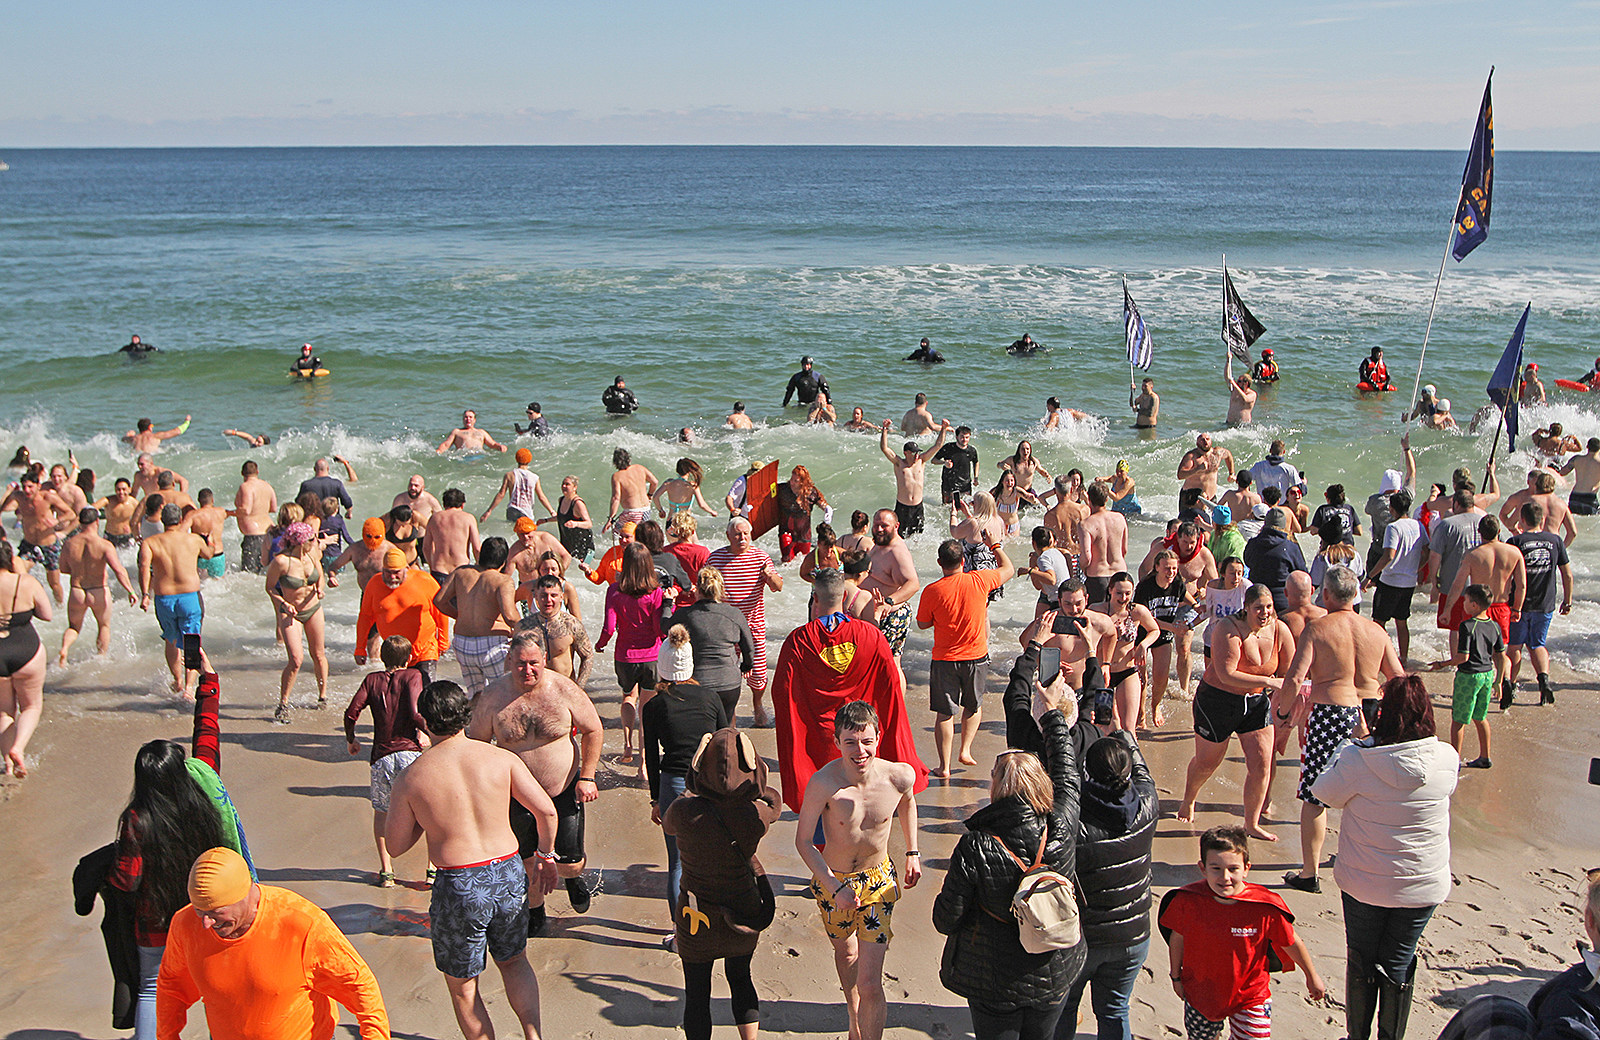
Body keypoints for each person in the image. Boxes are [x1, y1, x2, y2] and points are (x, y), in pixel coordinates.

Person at [384, 679, 557, 1040]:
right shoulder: (500, 758)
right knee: (514, 962)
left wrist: (424, 817)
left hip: (459, 883)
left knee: (463, 987)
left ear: (423, 721)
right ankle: (534, 1035)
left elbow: (396, 846)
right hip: (507, 872)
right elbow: (546, 812)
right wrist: (544, 855)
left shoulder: (412, 776)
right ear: (466, 715)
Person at [1305, 674, 1458, 1040]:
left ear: (1382, 714)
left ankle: (1358, 1035)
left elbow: (1322, 792)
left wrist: (1354, 744)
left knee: (1361, 957)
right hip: (1422, 884)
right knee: (1398, 960)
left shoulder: (1359, 758)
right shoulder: (1446, 757)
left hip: (1365, 881)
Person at [933, 683, 1084, 1040]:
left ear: (996, 787)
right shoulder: (1061, 824)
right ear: (1041, 784)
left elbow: (945, 918)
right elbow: (1068, 773)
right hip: (1054, 967)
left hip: (993, 978)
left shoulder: (977, 845)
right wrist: (1051, 716)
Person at [107, 676, 251, 1040]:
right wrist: (208, 684)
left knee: (152, 990)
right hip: (206, 915)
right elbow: (207, 738)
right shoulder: (203, 795)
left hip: (155, 925)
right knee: (220, 988)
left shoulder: (137, 820)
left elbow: (127, 880)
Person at [156, 846, 389, 1040]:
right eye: (199, 911)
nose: (206, 923)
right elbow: (172, 985)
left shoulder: (301, 923)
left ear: (243, 894)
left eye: (216, 912)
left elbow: (359, 984)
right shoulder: (185, 924)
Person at [795, 701, 922, 1040]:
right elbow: (804, 842)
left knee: (869, 983)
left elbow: (909, 800)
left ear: (878, 738)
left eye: (866, 741)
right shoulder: (824, 783)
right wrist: (834, 888)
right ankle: (854, 1022)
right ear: (837, 742)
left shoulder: (899, 775)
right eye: (850, 741)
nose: (859, 750)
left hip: (878, 882)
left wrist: (912, 851)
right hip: (832, 882)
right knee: (846, 951)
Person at [1273, 567, 1404, 893]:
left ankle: (1310, 873)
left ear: (1326, 595)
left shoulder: (1317, 629)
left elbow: (1294, 678)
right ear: (1356, 595)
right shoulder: (1375, 630)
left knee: (1315, 796)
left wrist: (1283, 713)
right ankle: (1372, 861)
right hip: (1370, 712)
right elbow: (1398, 678)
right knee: (1369, 791)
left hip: (1330, 712)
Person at [468, 633, 603, 934]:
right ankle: (535, 907)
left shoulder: (563, 689)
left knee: (571, 861)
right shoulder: (493, 697)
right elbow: (476, 745)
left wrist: (588, 776)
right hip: (516, 794)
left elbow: (593, 729)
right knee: (526, 859)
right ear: (509, 662)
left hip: (563, 788)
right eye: (519, 664)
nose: (527, 670)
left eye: (533, 663)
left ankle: (571, 877)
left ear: (544, 660)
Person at [663, 726, 782, 1040]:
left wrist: (693, 788)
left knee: (697, 993)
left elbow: (668, 823)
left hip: (695, 917)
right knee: (741, 978)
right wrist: (760, 787)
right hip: (741, 914)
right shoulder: (754, 815)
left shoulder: (684, 812)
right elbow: (774, 804)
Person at [1161, 827, 1326, 1040]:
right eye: (1216, 868)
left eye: (1233, 869)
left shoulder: (1264, 907)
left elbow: (1291, 941)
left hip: (1251, 995)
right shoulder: (1186, 902)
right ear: (1202, 868)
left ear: (1246, 868)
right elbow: (1178, 938)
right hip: (1201, 993)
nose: (1225, 877)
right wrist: (1176, 976)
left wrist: (1312, 977)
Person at [1177, 584, 1293, 840]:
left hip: (1255, 703)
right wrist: (1269, 683)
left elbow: (1290, 673)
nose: (1264, 613)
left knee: (1262, 762)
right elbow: (1226, 674)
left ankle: (1251, 823)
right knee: (1208, 763)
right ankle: (1189, 798)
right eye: (1258, 608)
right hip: (1218, 701)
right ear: (1247, 608)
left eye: (1269, 608)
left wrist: (1288, 711)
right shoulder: (1227, 629)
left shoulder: (1279, 630)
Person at [1067, 732, 1159, 1040]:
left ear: (1088, 773)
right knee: (1115, 1011)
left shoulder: (1075, 823)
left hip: (1083, 938)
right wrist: (1126, 734)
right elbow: (1143, 773)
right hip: (1132, 937)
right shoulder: (1148, 804)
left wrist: (1057, 725)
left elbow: (1064, 780)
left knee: (1065, 1008)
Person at [642, 626, 730, 928]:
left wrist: (655, 798)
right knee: (712, 859)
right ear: (690, 663)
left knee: (678, 863)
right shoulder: (710, 698)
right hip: (709, 785)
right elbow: (724, 744)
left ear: (661, 666)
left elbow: (652, 757)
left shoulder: (654, 705)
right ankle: (713, 925)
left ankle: (681, 933)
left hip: (673, 785)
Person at [916, 537, 1014, 778]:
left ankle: (944, 767)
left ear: (940, 563)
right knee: (973, 705)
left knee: (945, 713)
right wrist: (995, 546)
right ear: (963, 561)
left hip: (944, 659)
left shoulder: (932, 590)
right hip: (976, 656)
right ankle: (966, 750)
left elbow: (922, 623)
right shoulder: (979, 579)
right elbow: (1009, 569)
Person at [342, 634, 429, 887]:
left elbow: (351, 713)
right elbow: (414, 712)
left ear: (381, 656)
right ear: (409, 657)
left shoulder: (371, 680)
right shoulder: (414, 676)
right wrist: (431, 734)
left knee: (382, 813)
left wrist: (351, 739)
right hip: (409, 755)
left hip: (381, 757)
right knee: (424, 810)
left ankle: (386, 871)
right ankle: (432, 869)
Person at [596, 542, 669, 764]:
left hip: (625, 657)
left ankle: (627, 744)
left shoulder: (614, 591)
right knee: (647, 710)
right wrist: (670, 607)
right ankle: (643, 764)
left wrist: (601, 644)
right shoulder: (656, 592)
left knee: (628, 697)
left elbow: (609, 627)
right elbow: (659, 629)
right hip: (651, 657)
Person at [707, 517, 781, 727]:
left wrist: (769, 577)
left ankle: (757, 705)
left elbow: (778, 586)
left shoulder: (760, 557)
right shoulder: (716, 558)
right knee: (726, 672)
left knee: (758, 673)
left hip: (752, 625)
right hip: (725, 626)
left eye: (746, 534)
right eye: (738, 534)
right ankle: (729, 713)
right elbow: (705, 588)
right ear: (729, 536)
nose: (742, 538)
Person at [659, 565, 754, 721]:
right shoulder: (734, 614)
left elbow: (665, 628)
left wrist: (668, 604)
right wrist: (746, 666)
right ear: (720, 588)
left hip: (697, 684)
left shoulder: (685, 614)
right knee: (726, 728)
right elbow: (749, 649)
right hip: (728, 683)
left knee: (701, 730)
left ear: (697, 589)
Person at [139, 504, 215, 696]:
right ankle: (189, 688)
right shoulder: (193, 539)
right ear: (181, 520)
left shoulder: (150, 543)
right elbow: (208, 554)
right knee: (191, 640)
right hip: (189, 597)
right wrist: (211, 541)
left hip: (164, 598)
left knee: (171, 639)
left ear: (163, 521)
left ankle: (178, 680)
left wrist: (145, 595)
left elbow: (144, 567)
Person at [1428, 583, 1505, 768]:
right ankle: (1485, 757)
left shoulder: (1467, 626)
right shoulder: (1494, 626)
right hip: (1487, 674)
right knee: (1480, 717)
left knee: (1458, 720)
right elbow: (1501, 655)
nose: (1463, 603)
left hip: (1469, 676)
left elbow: (1463, 657)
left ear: (1474, 605)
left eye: (1466, 600)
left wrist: (1442, 664)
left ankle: (1455, 759)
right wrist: (1499, 681)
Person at [1506, 501, 1572, 707]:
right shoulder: (1555, 541)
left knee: (1514, 646)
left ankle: (1511, 686)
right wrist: (1567, 600)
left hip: (1519, 603)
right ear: (1542, 520)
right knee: (1538, 644)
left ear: (1522, 520)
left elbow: (1505, 575)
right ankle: (1544, 680)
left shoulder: (1515, 541)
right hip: (1545, 603)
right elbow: (1567, 574)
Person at [437, 538, 520, 697]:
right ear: (503, 562)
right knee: (504, 693)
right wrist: (526, 628)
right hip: (491, 644)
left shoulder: (460, 572)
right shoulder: (503, 580)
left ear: (480, 555)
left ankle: (476, 721)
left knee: (476, 695)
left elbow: (439, 601)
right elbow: (510, 616)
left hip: (462, 643)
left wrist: (460, 616)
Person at [263, 522, 328, 721]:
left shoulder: (313, 553)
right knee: (296, 660)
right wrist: (283, 602)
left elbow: (320, 575)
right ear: (300, 542)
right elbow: (270, 588)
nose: (315, 542)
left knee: (318, 654)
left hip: (313, 609)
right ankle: (283, 703)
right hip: (291, 613)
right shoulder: (281, 562)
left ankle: (322, 696)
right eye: (311, 539)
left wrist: (321, 588)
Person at [354, 549, 448, 683]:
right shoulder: (374, 584)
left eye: (396, 572)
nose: (392, 577)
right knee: (397, 696)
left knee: (426, 693)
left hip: (425, 650)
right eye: (387, 572)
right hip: (394, 653)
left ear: (406, 568)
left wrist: (443, 641)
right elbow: (365, 617)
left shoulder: (424, 580)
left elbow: (440, 611)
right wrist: (360, 648)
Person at [57, 508, 136, 665]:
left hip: (77, 590)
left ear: (80, 523)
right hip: (99, 590)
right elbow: (119, 570)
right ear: (97, 522)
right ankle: (101, 658)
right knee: (104, 625)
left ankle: (64, 649)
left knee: (73, 627)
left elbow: (63, 569)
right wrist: (131, 591)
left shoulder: (69, 544)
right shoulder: (104, 545)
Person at [0, 539, 52, 776]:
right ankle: (18, 749)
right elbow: (47, 614)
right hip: (26, 651)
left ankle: (8, 766)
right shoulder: (26, 582)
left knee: (3, 712)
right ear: (11, 559)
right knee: (31, 706)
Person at [1135, 549, 1196, 730]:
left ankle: (1155, 707)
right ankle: (1141, 715)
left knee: (1161, 678)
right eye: (1167, 569)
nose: (1171, 573)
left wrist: (1195, 605)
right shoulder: (1145, 587)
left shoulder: (1177, 582)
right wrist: (1172, 627)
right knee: (1141, 678)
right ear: (1157, 568)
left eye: (1174, 569)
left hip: (1165, 633)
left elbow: (1183, 593)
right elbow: (1144, 618)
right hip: (1142, 633)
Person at [1366, 489, 1427, 662]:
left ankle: (1378, 657)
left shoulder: (1393, 527)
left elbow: (1388, 556)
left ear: (1392, 509)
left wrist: (1370, 576)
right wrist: (1417, 567)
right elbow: (1426, 551)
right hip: (1408, 582)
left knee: (1379, 621)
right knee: (1402, 622)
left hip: (1390, 581)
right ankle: (1404, 657)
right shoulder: (1418, 525)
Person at [1096, 572, 1162, 733]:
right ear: (1110, 590)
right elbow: (1085, 639)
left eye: (1128, 593)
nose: (1124, 597)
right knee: (1103, 726)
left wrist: (1143, 645)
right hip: (1103, 676)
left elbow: (1154, 630)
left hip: (1127, 672)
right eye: (1119, 593)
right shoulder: (1097, 611)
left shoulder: (1137, 611)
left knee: (1129, 728)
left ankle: (1132, 757)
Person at [1, 472, 74, 603]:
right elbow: (2, 508)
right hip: (29, 545)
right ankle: (22, 604)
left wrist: (57, 521)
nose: (27, 490)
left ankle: (60, 606)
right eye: (24, 487)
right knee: (17, 572)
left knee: (54, 583)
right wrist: (7, 494)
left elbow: (70, 513)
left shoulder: (48, 497)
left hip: (49, 545)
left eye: (30, 486)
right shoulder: (19, 497)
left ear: (38, 486)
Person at [880, 419, 948, 537]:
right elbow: (884, 448)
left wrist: (943, 428)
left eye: (917, 452)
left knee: (917, 537)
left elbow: (938, 445)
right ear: (906, 453)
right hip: (902, 507)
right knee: (899, 536)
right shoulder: (899, 463)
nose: (917, 455)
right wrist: (885, 429)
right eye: (914, 452)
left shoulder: (921, 461)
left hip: (917, 507)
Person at [1242, 508, 1307, 614]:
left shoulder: (1253, 543)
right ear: (1283, 526)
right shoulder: (1290, 547)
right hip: (1282, 601)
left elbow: (1247, 561)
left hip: (1256, 598)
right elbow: (1301, 573)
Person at [1080, 482, 1130, 606]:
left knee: (1097, 619)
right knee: (1119, 618)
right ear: (1107, 499)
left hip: (1098, 576)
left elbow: (1087, 557)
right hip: (1120, 574)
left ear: (1089, 499)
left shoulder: (1085, 524)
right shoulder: (1120, 518)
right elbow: (1124, 550)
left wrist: (1084, 569)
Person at [480, 448, 555, 524]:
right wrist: (552, 511)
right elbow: (541, 497)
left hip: (512, 509)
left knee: (513, 531)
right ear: (529, 460)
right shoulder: (535, 477)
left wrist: (489, 511)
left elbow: (501, 494)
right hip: (526, 512)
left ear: (516, 459)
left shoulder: (509, 475)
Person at [606, 447, 658, 537]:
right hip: (646, 510)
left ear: (615, 462)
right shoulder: (640, 468)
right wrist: (649, 495)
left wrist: (611, 518)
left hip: (632, 513)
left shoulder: (617, 476)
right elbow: (655, 482)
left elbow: (616, 498)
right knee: (641, 536)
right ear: (629, 459)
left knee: (617, 534)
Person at [933, 425, 980, 504]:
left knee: (965, 507)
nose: (964, 440)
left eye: (967, 437)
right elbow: (934, 460)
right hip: (949, 484)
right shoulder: (948, 447)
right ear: (956, 437)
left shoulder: (972, 450)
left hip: (965, 485)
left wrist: (976, 477)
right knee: (947, 508)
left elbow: (976, 462)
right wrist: (944, 463)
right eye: (962, 437)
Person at [1557, 436, 1600, 515]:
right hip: (1589, 498)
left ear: (1587, 447)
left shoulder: (1576, 459)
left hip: (1574, 497)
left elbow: (1562, 472)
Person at [123, 416, 192, 455]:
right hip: (151, 457)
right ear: (150, 427)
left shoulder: (134, 438)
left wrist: (128, 435)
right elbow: (177, 431)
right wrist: (187, 422)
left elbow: (123, 439)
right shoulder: (156, 436)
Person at [1225, 354, 1257, 425]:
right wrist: (1228, 360)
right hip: (1229, 423)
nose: (1237, 382)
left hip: (1243, 426)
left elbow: (1246, 399)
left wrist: (1234, 384)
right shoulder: (1234, 391)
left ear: (1246, 383)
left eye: (1239, 381)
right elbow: (1227, 376)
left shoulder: (1252, 394)